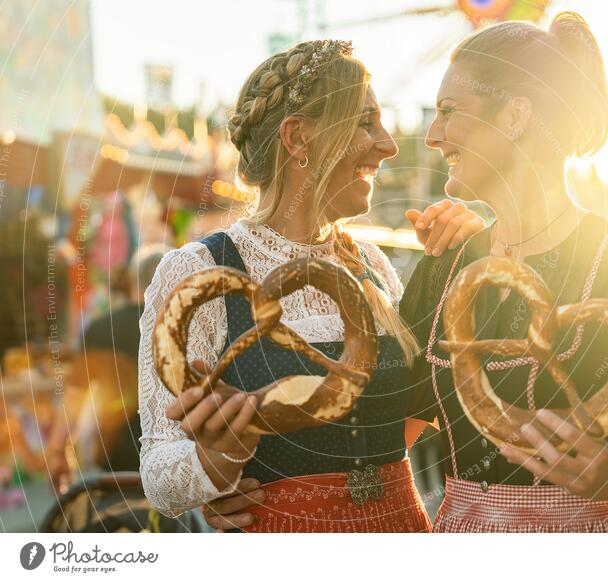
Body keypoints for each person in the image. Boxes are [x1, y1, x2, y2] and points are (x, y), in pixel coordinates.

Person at [398, 12, 608, 532]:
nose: (434, 134)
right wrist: (229, 463)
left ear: (514, 116)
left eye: (448, 111)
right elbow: (390, 441)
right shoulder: (443, 267)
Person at [138, 39, 483, 533]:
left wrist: (465, 256)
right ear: (297, 138)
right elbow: (158, 474)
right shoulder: (196, 274)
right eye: (366, 122)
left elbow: (403, 419)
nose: (388, 145)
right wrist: (216, 465)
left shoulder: (374, 265)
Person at [46, 245, 169, 494]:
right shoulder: (185, 328)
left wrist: (60, 451)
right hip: (175, 463)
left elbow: (74, 397)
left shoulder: (101, 329)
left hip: (117, 467)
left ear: (133, 282)